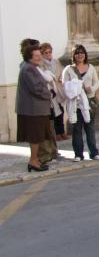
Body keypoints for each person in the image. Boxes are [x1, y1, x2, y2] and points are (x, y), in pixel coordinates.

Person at [62, 44, 99, 162]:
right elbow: (65, 85)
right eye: (77, 53)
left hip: (89, 102)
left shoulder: (91, 68)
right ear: (73, 56)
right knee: (76, 129)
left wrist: (92, 89)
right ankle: (78, 154)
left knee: (90, 128)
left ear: (85, 54)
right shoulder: (69, 69)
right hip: (76, 103)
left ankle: (94, 153)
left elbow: (97, 83)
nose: (80, 55)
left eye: (82, 52)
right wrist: (75, 88)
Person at [16, 44, 53, 172]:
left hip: (35, 109)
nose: (39, 58)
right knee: (35, 137)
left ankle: (35, 160)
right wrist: (50, 94)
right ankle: (33, 161)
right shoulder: (29, 69)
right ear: (29, 57)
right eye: (36, 56)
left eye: (39, 55)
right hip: (32, 110)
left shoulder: (32, 67)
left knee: (37, 136)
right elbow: (36, 88)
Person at [41, 43, 67, 141]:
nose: (48, 55)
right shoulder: (42, 64)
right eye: (46, 53)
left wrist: (60, 78)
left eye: (50, 52)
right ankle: (56, 134)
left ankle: (61, 132)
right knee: (53, 113)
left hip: (59, 89)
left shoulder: (56, 62)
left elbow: (61, 72)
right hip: (50, 90)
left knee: (61, 111)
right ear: (42, 54)